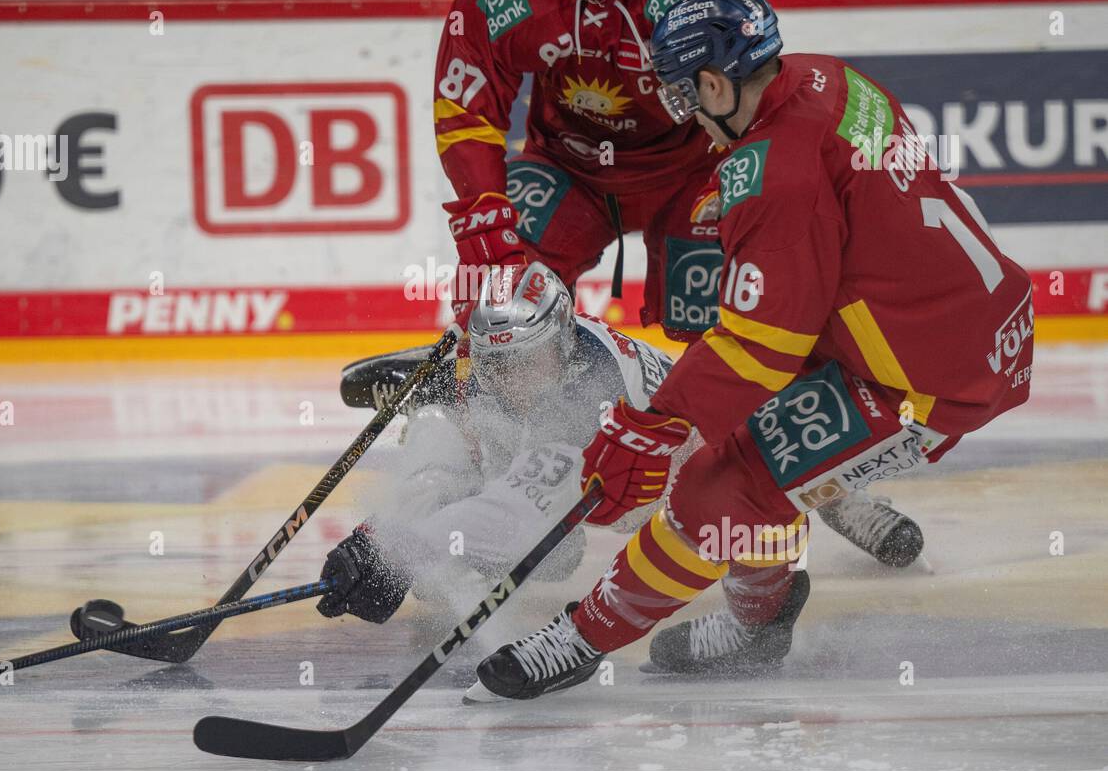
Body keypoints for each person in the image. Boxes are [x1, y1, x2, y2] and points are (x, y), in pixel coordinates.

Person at [469, 0, 1033, 701]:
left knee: (719, 485)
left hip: (926, 381)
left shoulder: (772, 175)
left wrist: (647, 428)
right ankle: (772, 599)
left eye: (683, 96)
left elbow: (761, 346)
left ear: (716, 82)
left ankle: (583, 638)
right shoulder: (828, 75)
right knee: (740, 452)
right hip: (959, 321)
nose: (686, 116)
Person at [319, 263, 927, 627]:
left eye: (524, 363)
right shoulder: (533, 350)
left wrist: (389, 548)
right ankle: (440, 537)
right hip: (593, 479)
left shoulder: (585, 403)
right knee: (442, 429)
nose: (510, 381)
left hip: (692, 473)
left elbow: (511, 514)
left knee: (772, 469)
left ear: (558, 341)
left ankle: (843, 499)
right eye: (495, 366)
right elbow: (487, 369)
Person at [436, 0, 725, 342]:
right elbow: (465, 107)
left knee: (722, 318)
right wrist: (483, 209)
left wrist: (743, 180)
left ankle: (711, 420)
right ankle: (493, 408)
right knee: (491, 292)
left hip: (687, 175)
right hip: (568, 169)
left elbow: (742, 98)